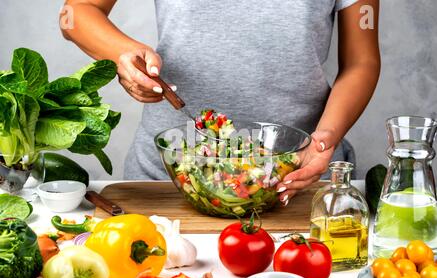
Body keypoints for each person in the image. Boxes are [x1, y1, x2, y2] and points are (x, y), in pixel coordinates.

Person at [61, 0, 380, 205]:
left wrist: (325, 139)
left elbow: (361, 62)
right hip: (169, 180)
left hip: (298, 178)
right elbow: (75, 13)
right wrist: (123, 55)